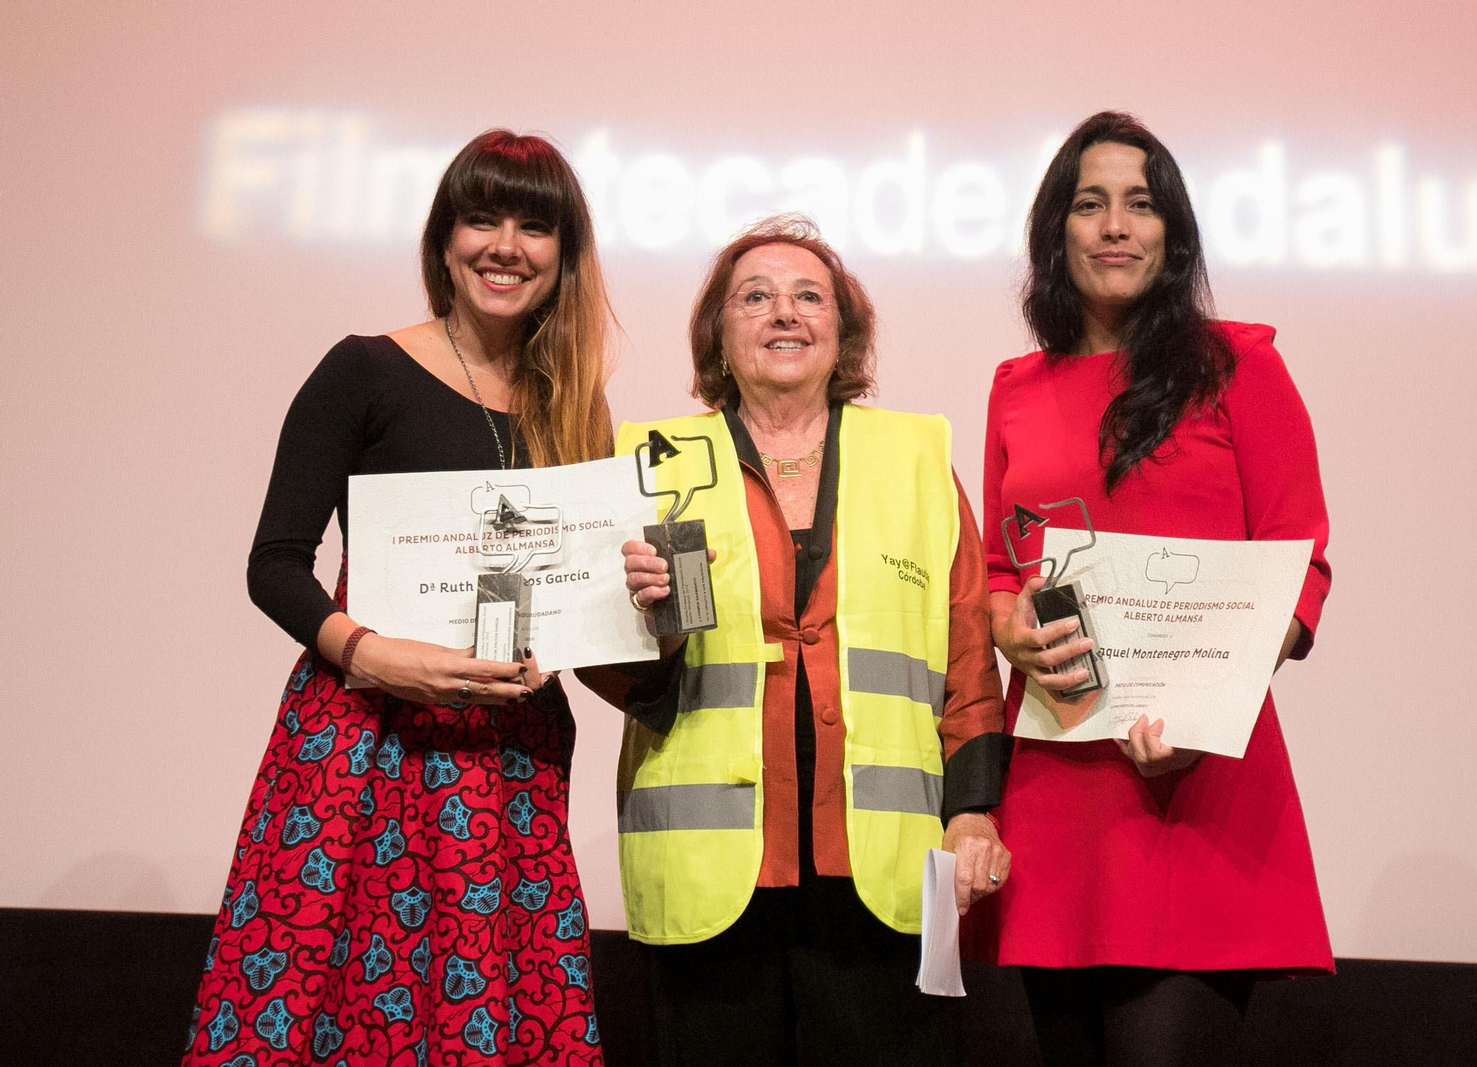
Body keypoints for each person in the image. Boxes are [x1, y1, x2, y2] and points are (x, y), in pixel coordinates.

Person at [183, 130, 613, 1067]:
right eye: (482, 219)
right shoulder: (363, 368)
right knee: (330, 998)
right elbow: (274, 563)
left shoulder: (575, 405)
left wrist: (637, 594)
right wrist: (374, 656)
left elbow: (576, 598)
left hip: (507, 755)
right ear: (444, 238)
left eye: (535, 226)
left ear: (564, 254)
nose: (506, 246)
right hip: (362, 741)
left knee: (488, 1008)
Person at [581, 215, 1010, 1067]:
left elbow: (967, 646)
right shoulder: (650, 461)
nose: (785, 312)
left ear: (843, 331)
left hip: (880, 865)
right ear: (718, 333)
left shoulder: (916, 457)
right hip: (710, 870)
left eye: (809, 296)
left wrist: (973, 808)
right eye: (755, 297)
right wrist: (648, 627)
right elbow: (609, 663)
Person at [969, 111, 1334, 1067]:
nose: (1116, 226)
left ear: (1173, 233)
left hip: (1194, 778)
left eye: (1140, 204)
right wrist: (1006, 624)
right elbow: (1001, 566)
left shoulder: (1239, 366)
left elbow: (1300, 565)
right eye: (1090, 204)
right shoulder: (1016, 386)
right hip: (1056, 779)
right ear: (1056, 231)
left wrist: (1205, 707)